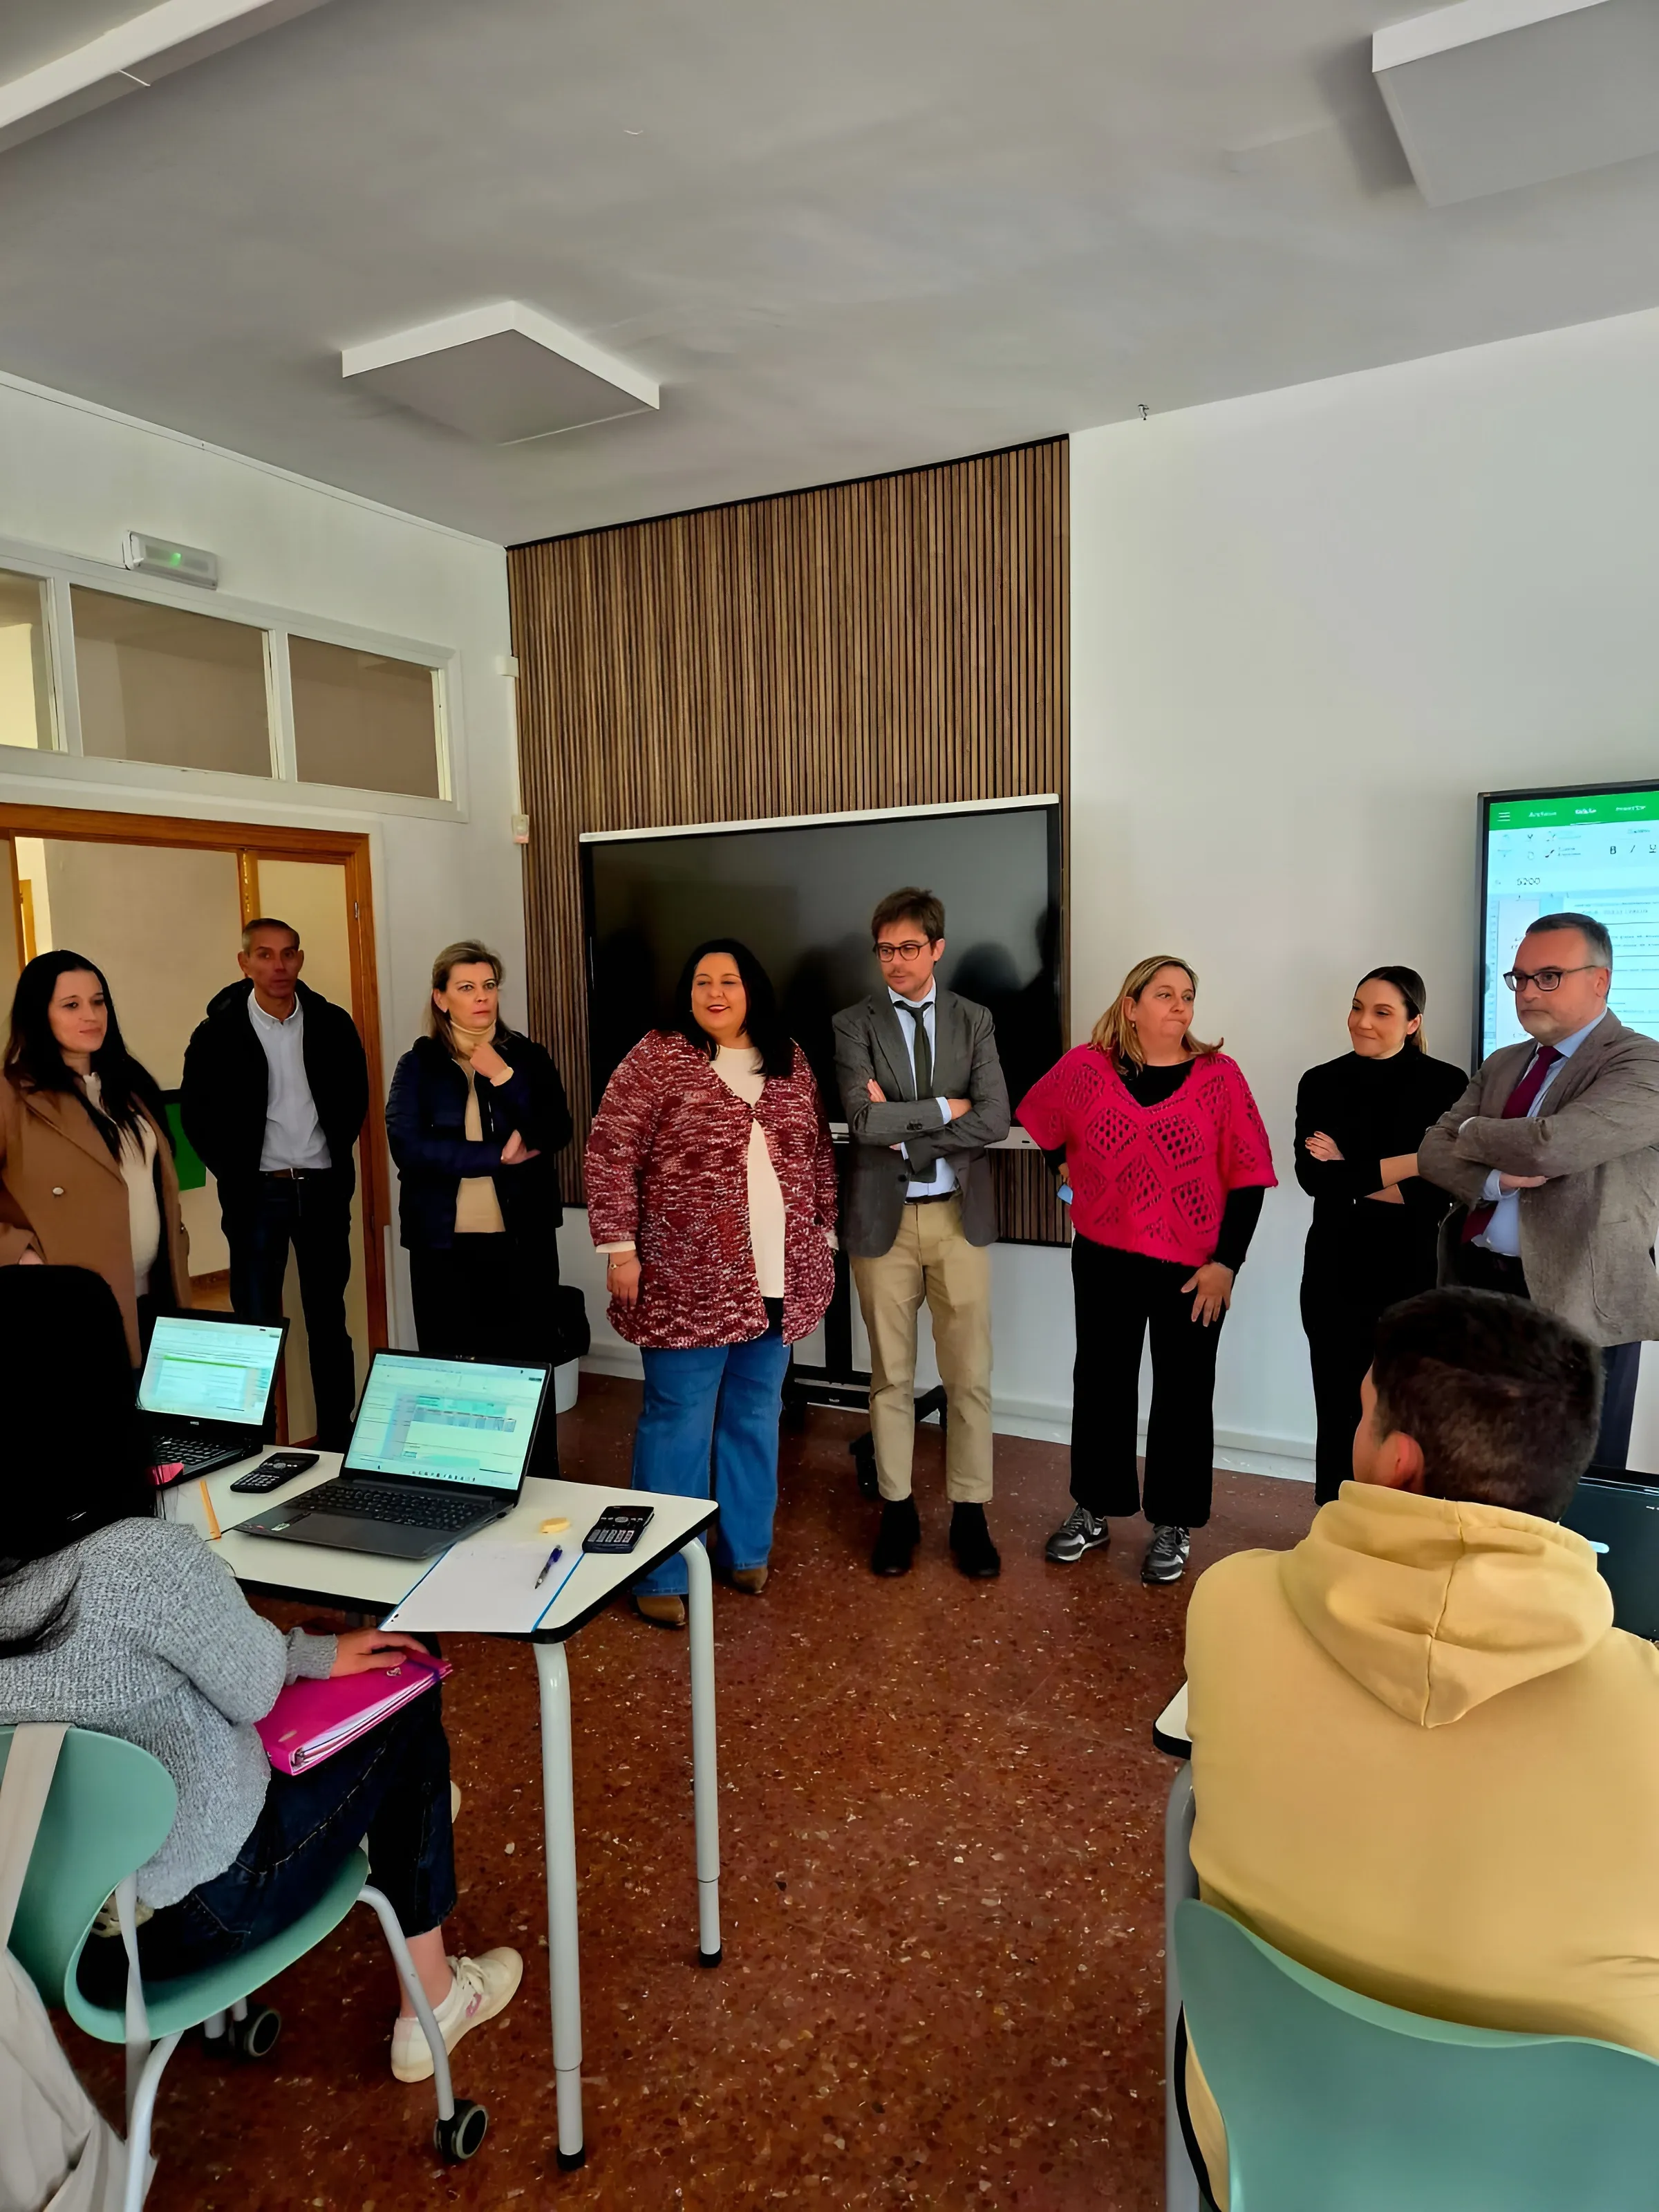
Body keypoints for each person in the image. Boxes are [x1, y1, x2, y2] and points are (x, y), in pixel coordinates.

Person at [1181, 1287, 1653, 2211]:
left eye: (1359, 1417)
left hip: (1276, 2138)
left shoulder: (1229, 1604)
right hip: (1579, 2177)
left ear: (1396, 1465)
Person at [0, 1265, 521, 2084]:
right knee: (408, 1695)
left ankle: (403, 1827)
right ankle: (435, 1999)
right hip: (206, 1909)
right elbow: (248, 1686)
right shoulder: (138, 1561)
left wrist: (305, 1651)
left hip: (50, 1934)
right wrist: (307, 1651)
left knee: (363, 1714)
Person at [585, 940, 837, 1629]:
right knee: (677, 1420)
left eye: (728, 980)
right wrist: (618, 1247)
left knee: (757, 1412)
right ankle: (662, 1567)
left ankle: (747, 1549)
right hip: (682, 1280)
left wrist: (826, 1229)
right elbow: (610, 1149)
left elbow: (815, 1151)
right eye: (702, 981)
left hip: (777, 1276)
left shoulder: (790, 1059)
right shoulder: (658, 1055)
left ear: (752, 988)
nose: (715, 992)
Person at [1016, 956, 1275, 1585]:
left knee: (1185, 1395)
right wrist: (1062, 1170)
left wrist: (1227, 1266)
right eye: (1165, 994)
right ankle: (1095, 1508)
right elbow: (1039, 1115)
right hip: (1105, 1257)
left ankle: (1174, 1522)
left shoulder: (1219, 1077)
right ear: (1131, 1005)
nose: (1180, 1006)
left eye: (1188, 995)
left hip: (1193, 1269)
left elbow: (1248, 1176)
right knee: (1102, 1384)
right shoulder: (1085, 1068)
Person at [1418, 912, 1659, 1468]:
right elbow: (1431, 1151)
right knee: (1482, 1463)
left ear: (1599, 981)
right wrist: (1494, 1179)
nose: (1527, 992)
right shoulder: (1504, 1062)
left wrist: (1473, 1133)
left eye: (1548, 976)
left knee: (1574, 1478)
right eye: (1520, 978)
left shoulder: (1639, 1060)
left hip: (1579, 1300)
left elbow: (1553, 1146)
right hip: (1480, 1285)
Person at [834, 890, 1011, 1581]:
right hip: (883, 1223)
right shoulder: (854, 1023)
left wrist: (903, 1127)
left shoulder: (975, 1020)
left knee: (970, 1375)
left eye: (910, 947)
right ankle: (898, 1508)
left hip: (958, 1222)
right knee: (891, 1378)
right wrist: (943, 1109)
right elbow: (858, 1117)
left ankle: (971, 1511)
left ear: (937, 948)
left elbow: (995, 1118)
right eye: (885, 948)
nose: (896, 961)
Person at [181, 916, 369, 1451]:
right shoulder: (218, 1032)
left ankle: (337, 1438)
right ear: (245, 963)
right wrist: (236, 1171)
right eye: (264, 955)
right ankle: (253, 1444)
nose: (278, 966)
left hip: (323, 1189)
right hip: (256, 1193)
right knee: (256, 1324)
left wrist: (328, 1159)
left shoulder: (331, 1023)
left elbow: (353, 1097)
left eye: (288, 954)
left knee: (328, 1322)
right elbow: (198, 1115)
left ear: (300, 959)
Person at [386, 940, 572, 1472]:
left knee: (527, 1368)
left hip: (523, 1241)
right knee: (454, 1371)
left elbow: (553, 1128)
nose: (482, 999)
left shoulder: (527, 1057)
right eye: (466, 988)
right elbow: (410, 1147)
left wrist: (503, 1077)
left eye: (489, 986)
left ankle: (540, 1480)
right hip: (443, 1245)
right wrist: (497, 1155)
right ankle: (460, 1477)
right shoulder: (418, 1066)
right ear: (441, 998)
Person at [1295, 966, 1466, 1504]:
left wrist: (1353, 1170)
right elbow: (1314, 1180)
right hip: (1333, 1272)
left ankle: (1395, 1536)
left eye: (1382, 1012)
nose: (1361, 1022)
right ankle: (1332, 1522)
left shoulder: (1447, 1084)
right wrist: (1412, 1162)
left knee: (1404, 1412)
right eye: (1357, 1007)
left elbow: (1436, 1195)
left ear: (1413, 1022)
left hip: (1411, 1274)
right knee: (1338, 1408)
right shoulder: (1320, 1081)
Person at [0, 950, 189, 1365]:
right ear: (39, 1014)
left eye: (98, 1001)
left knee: (159, 1423)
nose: (91, 1015)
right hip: (72, 1306)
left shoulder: (130, 1085)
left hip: (155, 1292)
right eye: (71, 1005)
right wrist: (19, 1254)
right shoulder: (12, 1095)